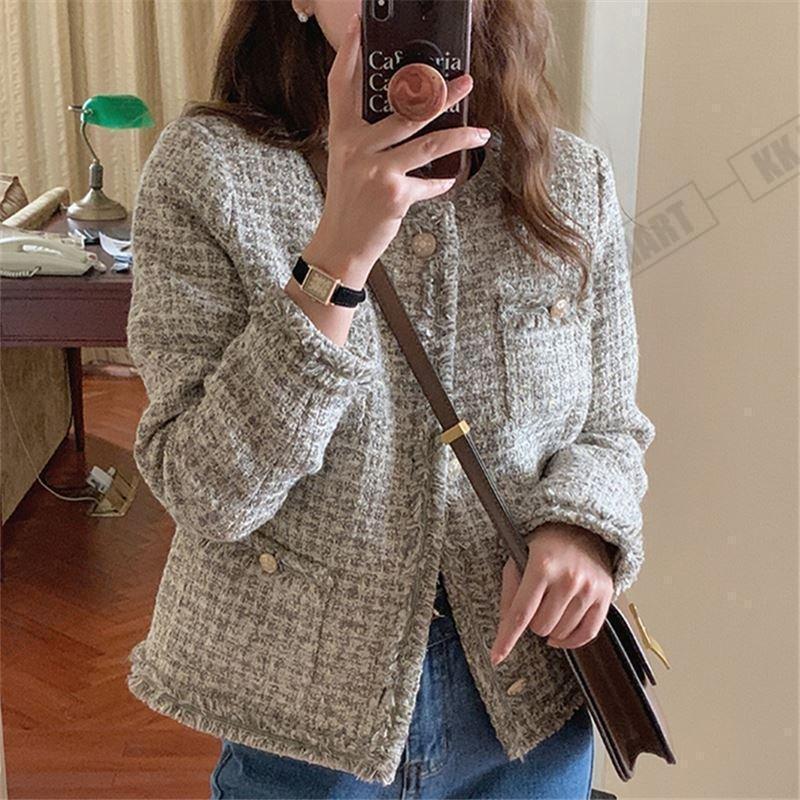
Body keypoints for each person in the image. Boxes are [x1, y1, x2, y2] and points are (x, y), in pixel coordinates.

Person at [124, 1, 656, 798]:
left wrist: (581, 530)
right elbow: (208, 492)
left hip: (526, 716)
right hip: (300, 727)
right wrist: (339, 251)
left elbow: (611, 430)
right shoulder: (211, 170)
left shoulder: (569, 180)